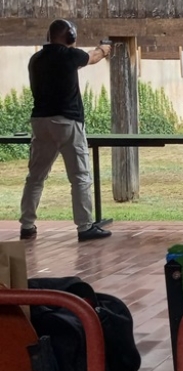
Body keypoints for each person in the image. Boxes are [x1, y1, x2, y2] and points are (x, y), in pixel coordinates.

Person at [19, 19, 112, 242]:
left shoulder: (36, 59)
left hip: (40, 122)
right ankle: (84, 227)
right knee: (80, 176)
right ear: (69, 36)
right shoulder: (69, 56)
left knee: (35, 177)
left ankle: (27, 225)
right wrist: (104, 48)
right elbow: (94, 57)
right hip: (67, 122)